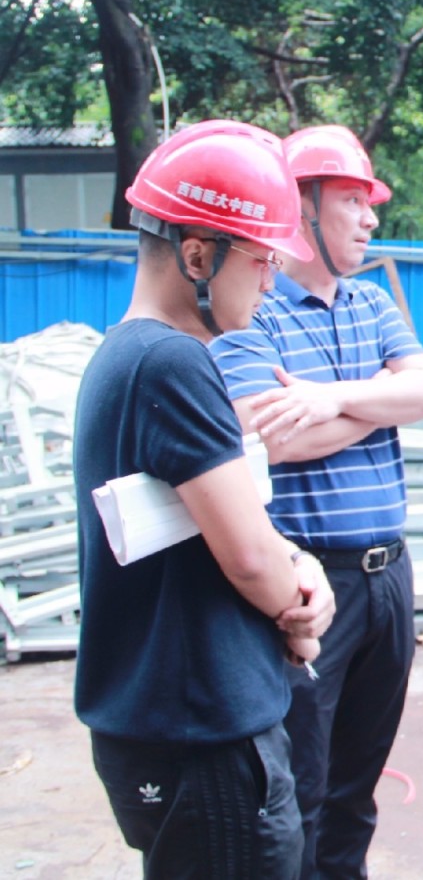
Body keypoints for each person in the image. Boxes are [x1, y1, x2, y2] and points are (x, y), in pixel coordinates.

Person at [73, 119, 335, 878]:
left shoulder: (125, 358)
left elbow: (228, 525)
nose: (272, 282)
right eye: (261, 260)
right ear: (197, 255)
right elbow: (250, 557)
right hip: (204, 738)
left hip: (168, 730)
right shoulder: (174, 364)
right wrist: (301, 605)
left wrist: (298, 567)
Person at [211, 124, 423, 879]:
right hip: (312, 587)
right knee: (301, 788)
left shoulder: (371, 302)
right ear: (301, 206)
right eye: (352, 200)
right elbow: (271, 439)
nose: (370, 218)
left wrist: (327, 398)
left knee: (357, 790)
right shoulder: (253, 309)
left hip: (388, 581)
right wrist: (376, 400)